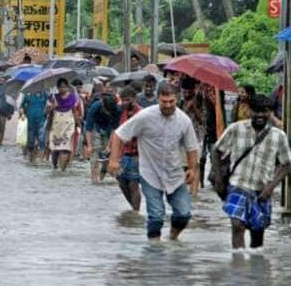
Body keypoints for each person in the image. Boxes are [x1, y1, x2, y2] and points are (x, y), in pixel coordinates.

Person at [108, 84, 199, 242]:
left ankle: (172, 238)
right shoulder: (145, 116)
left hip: (175, 173)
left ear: (176, 99)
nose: (168, 105)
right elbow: (118, 135)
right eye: (164, 101)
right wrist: (114, 160)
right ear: (158, 99)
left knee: (184, 214)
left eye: (171, 101)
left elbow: (192, 147)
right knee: (156, 216)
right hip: (150, 173)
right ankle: (154, 251)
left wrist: (192, 168)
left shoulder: (184, 120)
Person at [213, 95, 291, 250]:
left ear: (270, 113)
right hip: (238, 185)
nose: (260, 115)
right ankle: (238, 264)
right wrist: (218, 180)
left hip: (262, 190)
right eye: (256, 111)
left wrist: (271, 187)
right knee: (237, 225)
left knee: (257, 234)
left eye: (265, 111)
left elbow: (286, 164)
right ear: (249, 111)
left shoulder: (278, 136)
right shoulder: (236, 129)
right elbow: (217, 151)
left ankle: (256, 268)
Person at [84, 93, 121, 183]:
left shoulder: (117, 110)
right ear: (103, 105)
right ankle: (94, 180)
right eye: (106, 110)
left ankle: (101, 179)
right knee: (95, 152)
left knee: (107, 155)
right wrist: (89, 146)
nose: (108, 112)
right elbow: (88, 129)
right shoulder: (95, 107)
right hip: (95, 127)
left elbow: (114, 130)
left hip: (108, 129)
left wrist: (109, 145)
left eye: (110, 111)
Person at [179, 77, 206, 197]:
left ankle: (194, 193)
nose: (186, 94)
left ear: (193, 91)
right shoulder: (179, 102)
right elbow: (176, 119)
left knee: (195, 164)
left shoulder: (200, 101)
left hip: (197, 137)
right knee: (184, 165)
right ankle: (184, 192)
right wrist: (186, 108)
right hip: (181, 138)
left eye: (188, 92)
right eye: (184, 92)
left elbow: (202, 121)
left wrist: (195, 108)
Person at [115, 86, 141, 211]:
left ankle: (135, 212)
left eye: (127, 100)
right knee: (121, 181)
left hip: (136, 154)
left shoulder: (141, 114)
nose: (124, 103)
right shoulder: (123, 113)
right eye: (123, 100)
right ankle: (133, 211)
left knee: (133, 184)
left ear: (134, 99)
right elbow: (119, 133)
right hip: (124, 154)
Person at [46, 78, 81, 171]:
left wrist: (80, 125)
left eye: (64, 87)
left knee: (65, 148)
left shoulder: (73, 97)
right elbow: (46, 111)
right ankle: (55, 167)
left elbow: (74, 112)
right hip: (56, 124)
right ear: (57, 88)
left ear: (67, 87)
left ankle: (62, 170)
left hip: (68, 124)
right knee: (55, 149)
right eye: (60, 87)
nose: (62, 89)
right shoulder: (53, 97)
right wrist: (53, 106)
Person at [20, 91, 48, 163]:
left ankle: (41, 161)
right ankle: (31, 161)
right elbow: (21, 106)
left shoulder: (45, 95)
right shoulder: (28, 95)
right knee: (31, 142)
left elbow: (48, 106)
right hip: (30, 122)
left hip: (42, 121)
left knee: (42, 140)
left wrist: (47, 109)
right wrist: (22, 113)